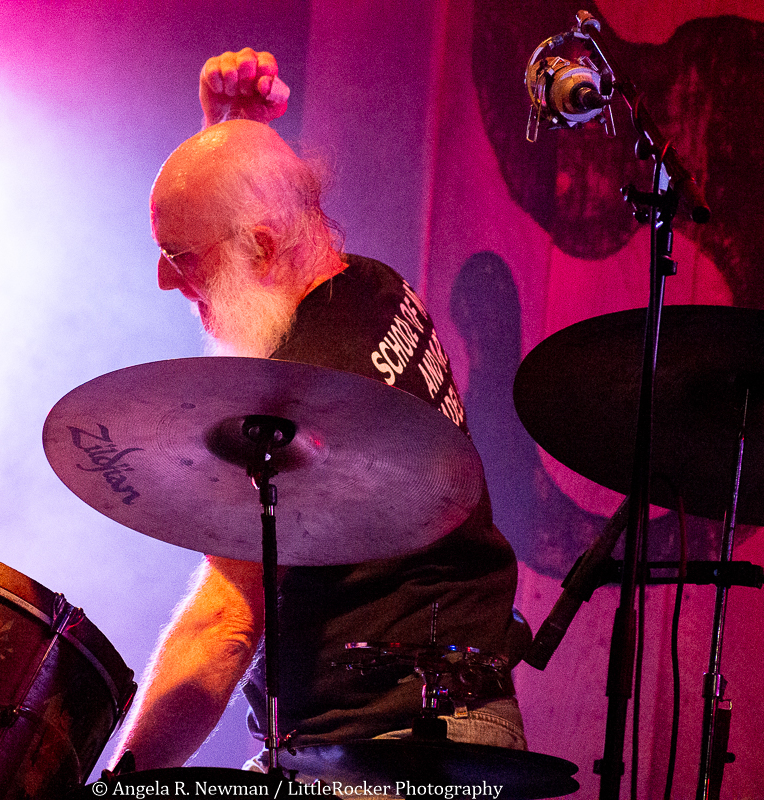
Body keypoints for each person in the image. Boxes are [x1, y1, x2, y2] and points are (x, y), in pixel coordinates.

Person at [108, 48, 525, 776]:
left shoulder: (300, 392)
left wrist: (121, 783)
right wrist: (226, 132)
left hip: (395, 750)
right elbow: (265, 208)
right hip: (431, 728)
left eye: (181, 255)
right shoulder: (371, 287)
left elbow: (224, 625)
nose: (166, 280)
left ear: (262, 247)